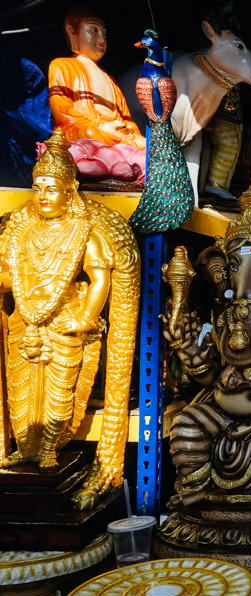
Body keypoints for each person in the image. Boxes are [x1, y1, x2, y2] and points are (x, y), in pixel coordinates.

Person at [0, 129, 139, 508]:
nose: (43, 196)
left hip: (65, 321)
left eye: (52, 189)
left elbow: (100, 276)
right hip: (23, 321)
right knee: (22, 391)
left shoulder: (83, 229)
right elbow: (7, 272)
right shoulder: (19, 230)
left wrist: (85, 316)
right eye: (38, 188)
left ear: (69, 191)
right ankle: (26, 450)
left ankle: (49, 449)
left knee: (59, 394)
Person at [48, 7, 146, 181]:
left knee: (147, 145)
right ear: (73, 33)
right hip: (88, 130)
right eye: (93, 30)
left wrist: (127, 129)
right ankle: (118, 162)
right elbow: (60, 108)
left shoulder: (110, 79)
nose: (101, 38)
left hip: (115, 133)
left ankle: (123, 159)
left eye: (104, 34)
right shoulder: (62, 65)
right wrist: (101, 125)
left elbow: (126, 118)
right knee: (90, 134)